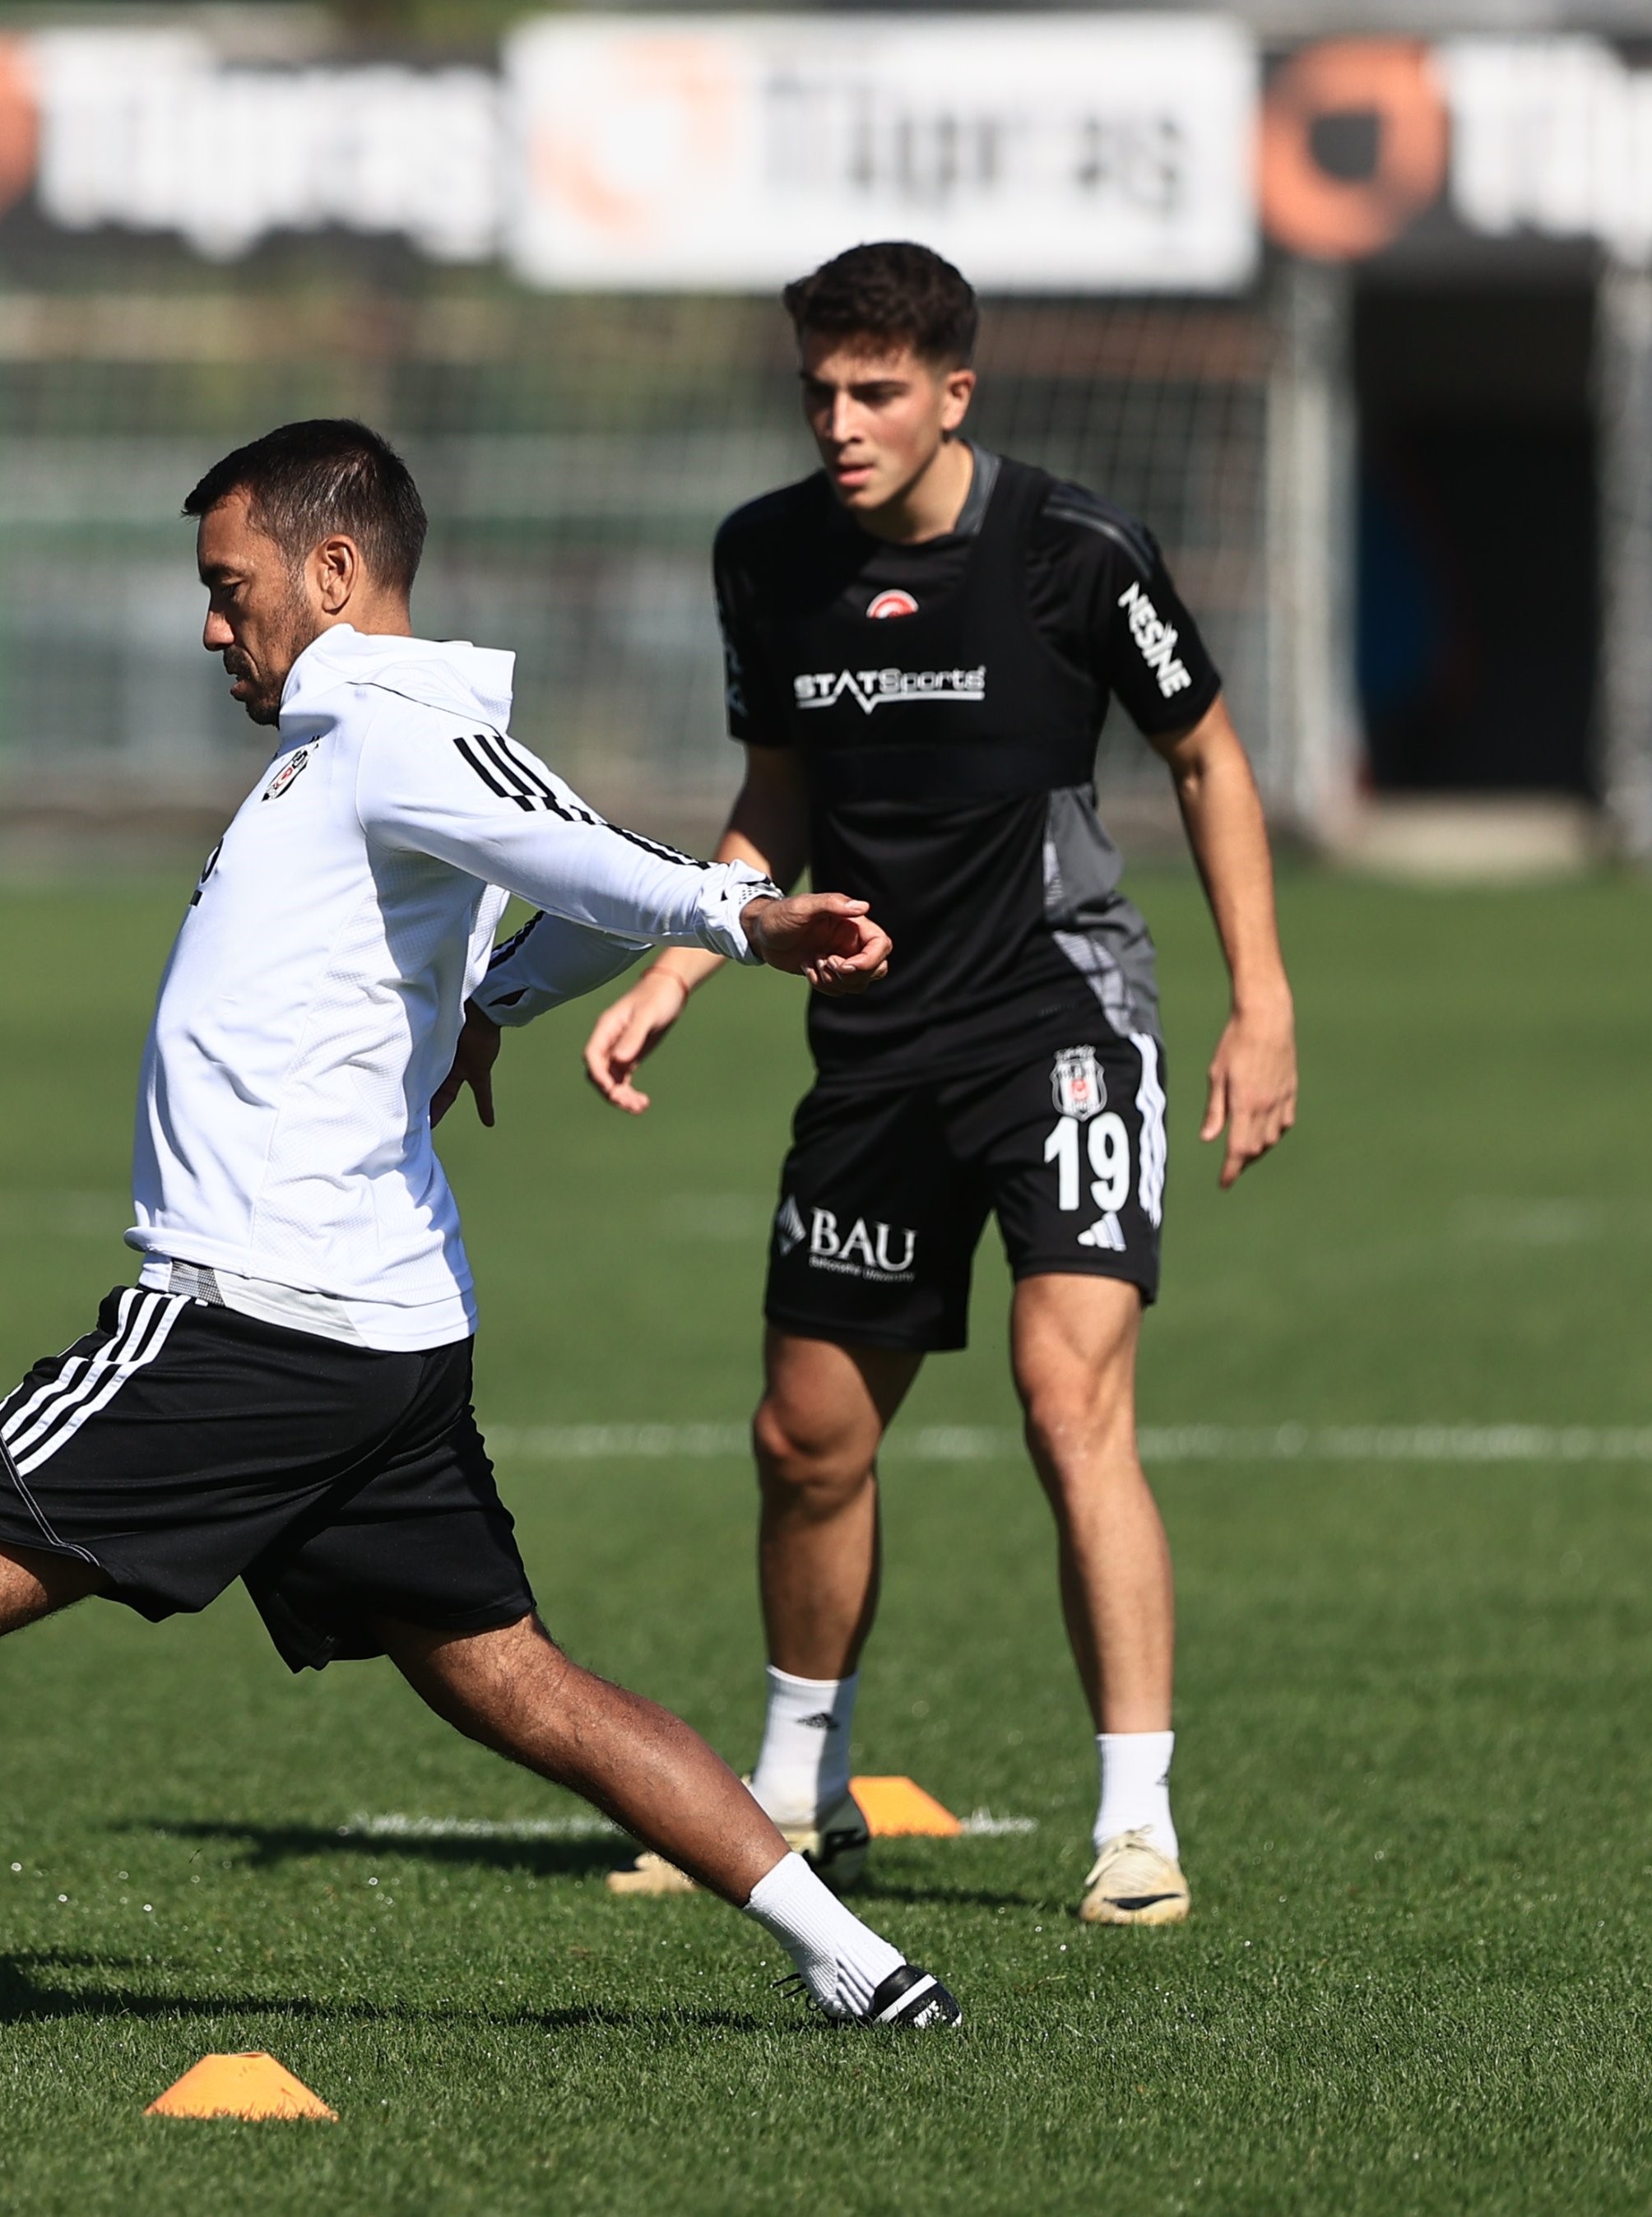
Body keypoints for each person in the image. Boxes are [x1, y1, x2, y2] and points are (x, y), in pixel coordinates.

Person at [0, 420, 963, 2057]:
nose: (208, 624)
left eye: (228, 590)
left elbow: (581, 858)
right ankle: (853, 1960)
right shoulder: (358, 739)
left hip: (252, 1321)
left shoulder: (385, 725)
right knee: (512, 1678)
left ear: (330, 570)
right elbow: (554, 877)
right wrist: (489, 1007)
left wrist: (740, 918)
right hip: (362, 1324)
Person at [536, 243, 1294, 1926]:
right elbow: (774, 791)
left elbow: (1205, 755)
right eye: (816, 387)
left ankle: (1134, 1824)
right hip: (870, 1050)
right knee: (804, 1437)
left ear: (955, 391)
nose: (838, 420)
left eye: (874, 390)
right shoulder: (766, 557)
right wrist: (683, 957)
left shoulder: (1073, 548)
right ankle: (791, 1798)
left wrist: (1261, 1005)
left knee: (1061, 1391)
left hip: (1057, 1021)